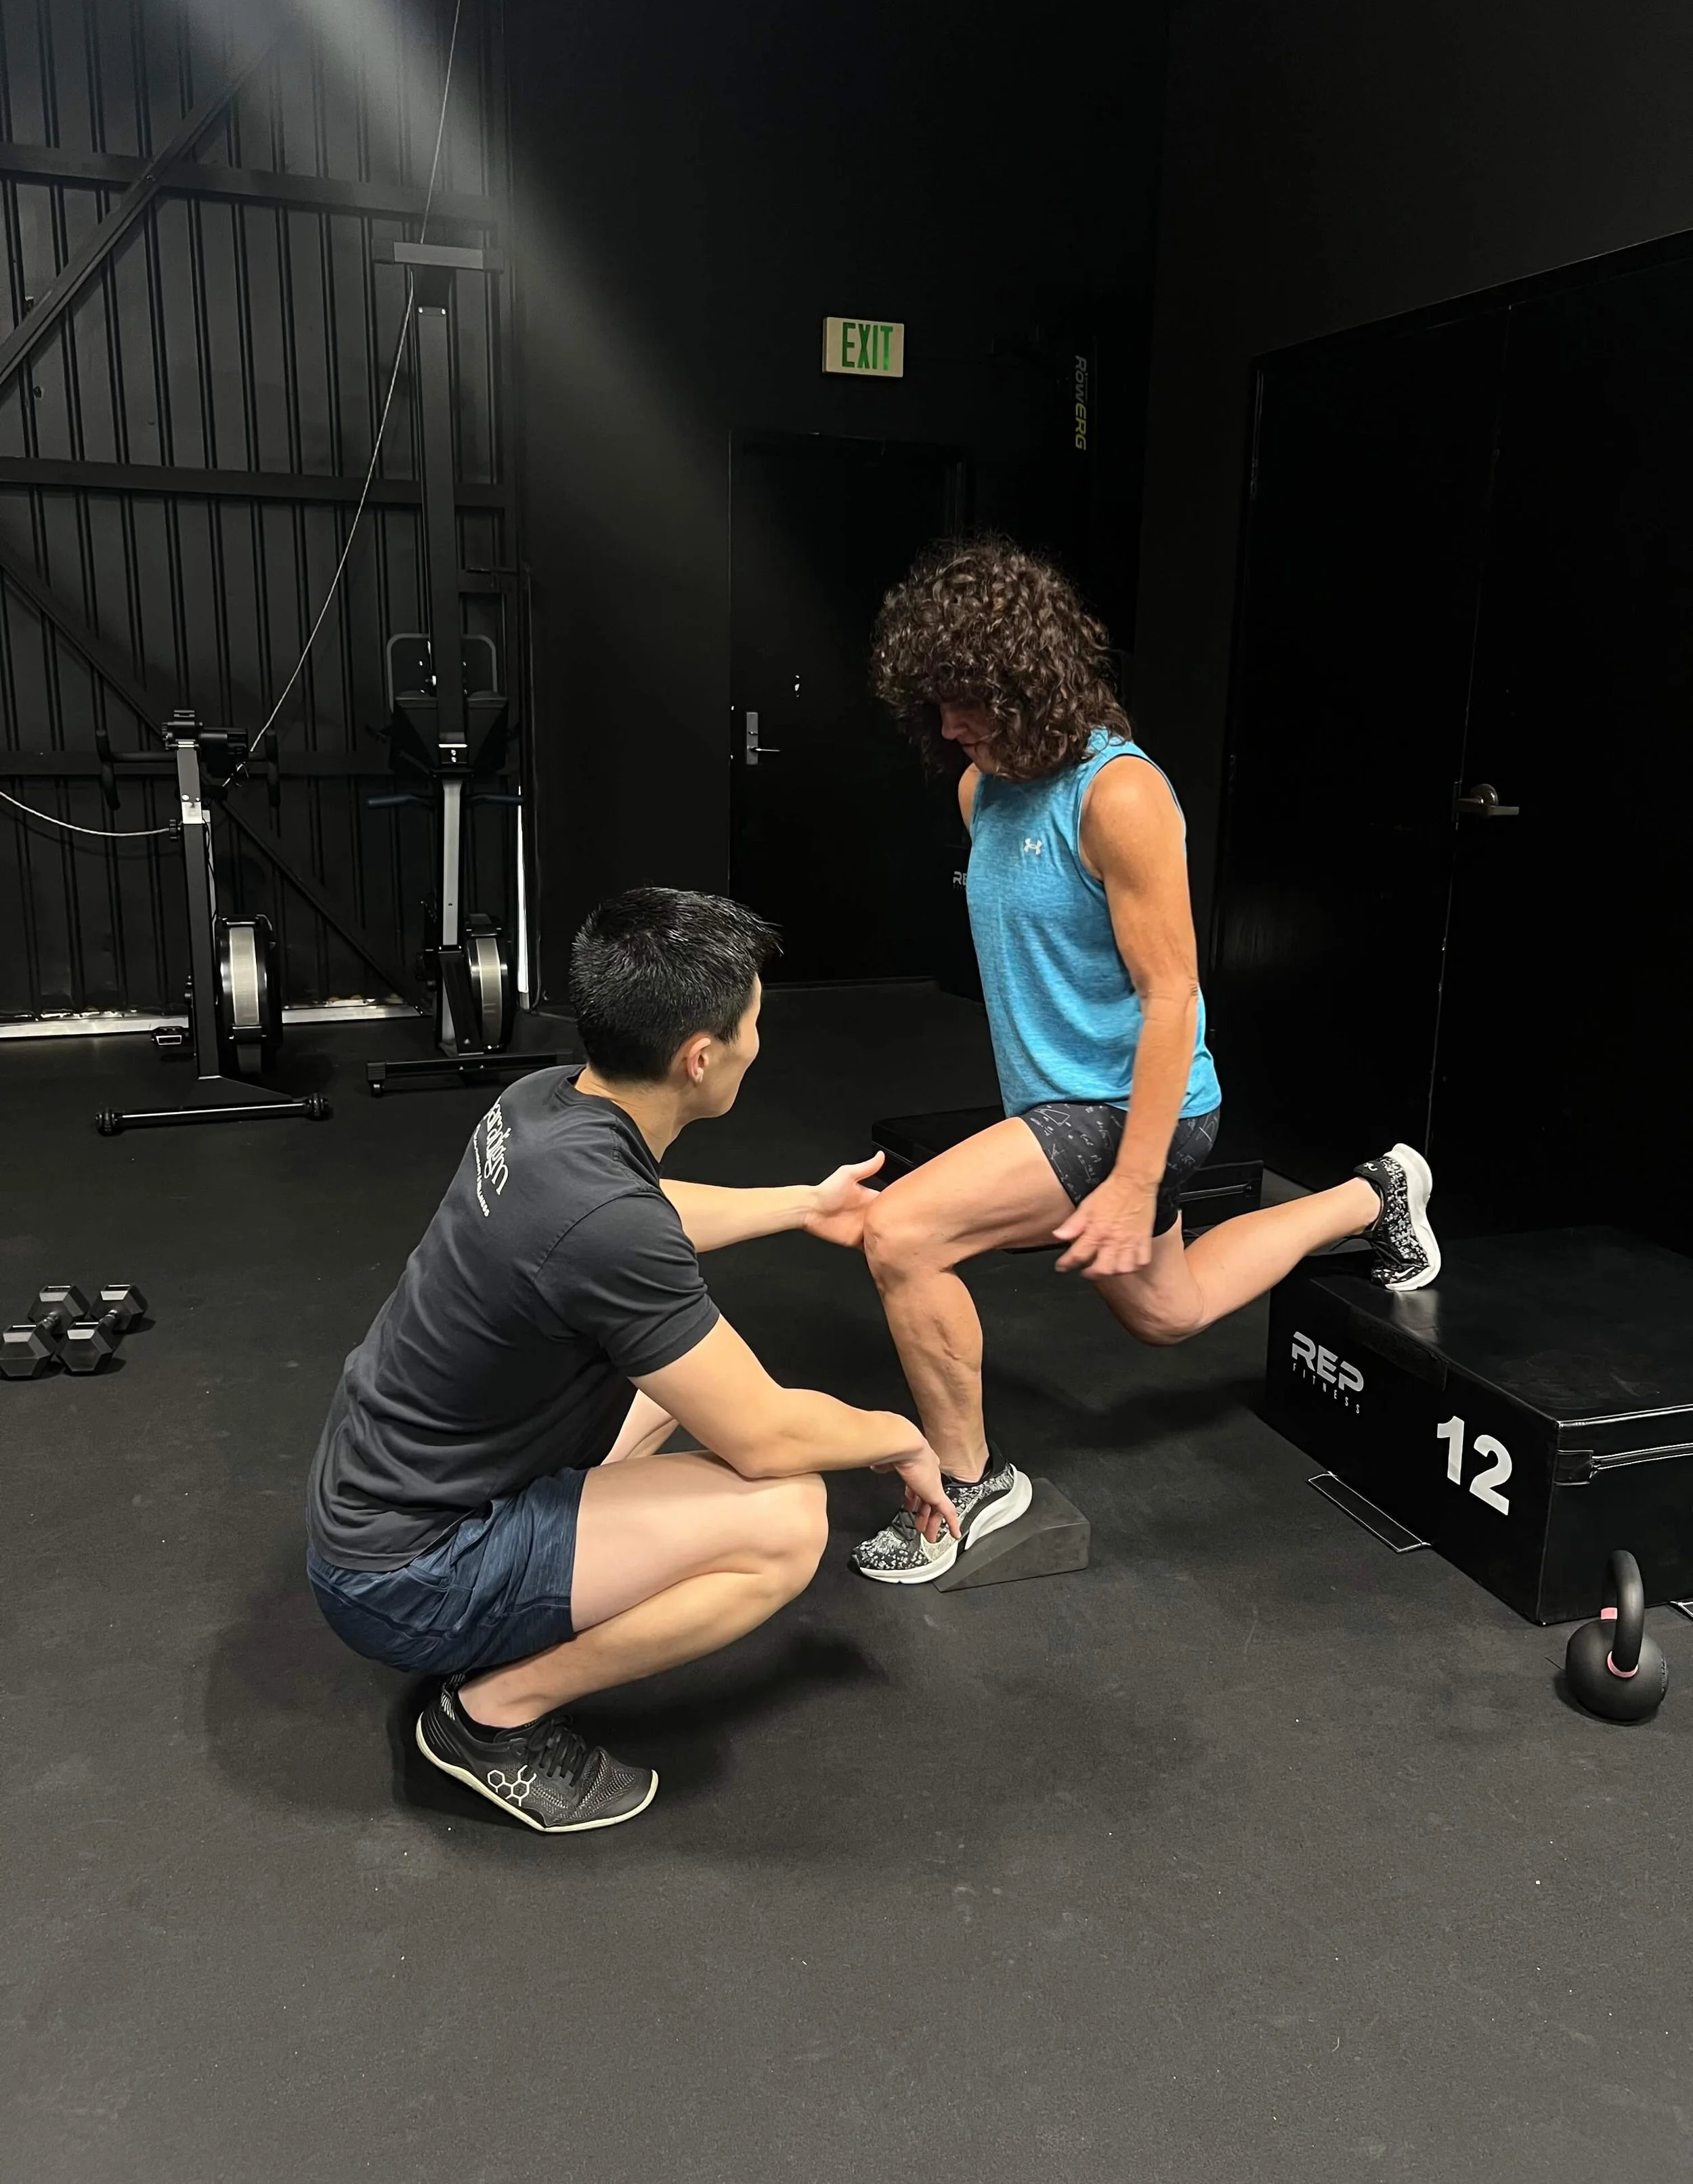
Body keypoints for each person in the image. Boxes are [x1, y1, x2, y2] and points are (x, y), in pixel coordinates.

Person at [850, 535, 1438, 1584]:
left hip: (1131, 1108)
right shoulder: (982, 791)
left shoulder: (1119, 797)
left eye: (965, 700)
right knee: (1170, 1314)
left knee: (903, 1236)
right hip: (1066, 1106)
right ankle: (1377, 1196)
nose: (948, 727)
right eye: (933, 706)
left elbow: (1175, 996)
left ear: (1024, 681)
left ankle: (974, 1489)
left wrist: (1132, 1181)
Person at [305, 887, 956, 1833]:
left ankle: (513, 1618)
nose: (760, 1043)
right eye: (755, 1026)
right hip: (404, 1576)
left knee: (669, 1385)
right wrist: (896, 1433)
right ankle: (491, 1718)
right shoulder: (603, 1224)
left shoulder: (541, 1103)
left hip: (382, 1489)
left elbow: (635, 1222)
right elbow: (769, 1436)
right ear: (702, 1056)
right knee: (786, 1516)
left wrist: (802, 1205)